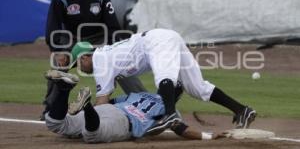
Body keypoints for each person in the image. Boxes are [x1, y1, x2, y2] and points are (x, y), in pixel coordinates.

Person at [70, 29, 257, 133]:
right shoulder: (105, 56)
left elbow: (102, 101)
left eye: (78, 63)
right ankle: (242, 110)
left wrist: (83, 121)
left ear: (85, 57)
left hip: (156, 41)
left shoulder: (99, 60)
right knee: (197, 87)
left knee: (164, 78)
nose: (79, 68)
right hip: (167, 37)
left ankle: (170, 116)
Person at [42, 0, 146, 120]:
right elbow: (53, 27)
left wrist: (117, 49)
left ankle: (144, 102)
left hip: (99, 38)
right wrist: (58, 51)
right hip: (75, 41)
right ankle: (50, 108)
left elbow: (112, 25)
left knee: (120, 62)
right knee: (58, 65)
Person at [44, 70, 227, 143]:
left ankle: (63, 89)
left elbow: (110, 103)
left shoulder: (142, 95)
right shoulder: (171, 111)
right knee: (92, 136)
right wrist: (207, 136)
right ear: (177, 96)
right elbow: (180, 129)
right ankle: (87, 107)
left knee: (57, 124)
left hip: (108, 110)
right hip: (123, 123)